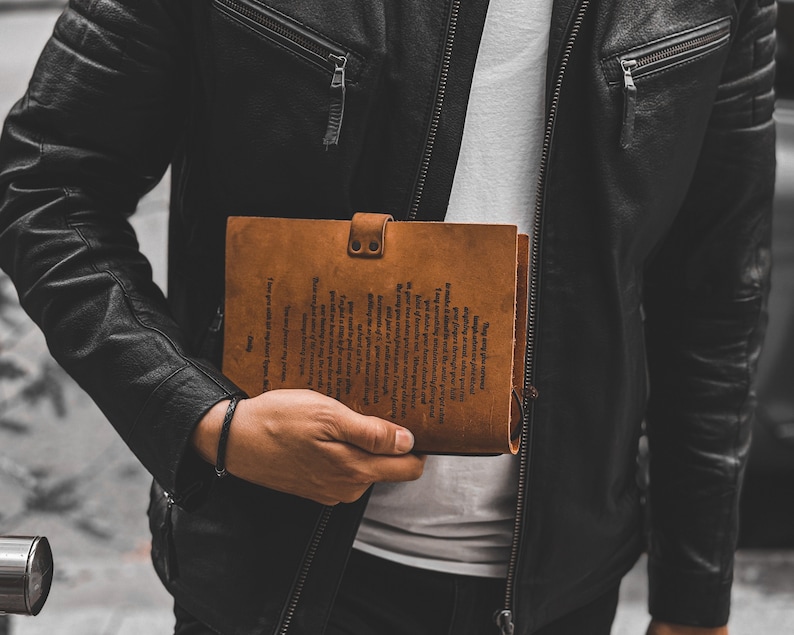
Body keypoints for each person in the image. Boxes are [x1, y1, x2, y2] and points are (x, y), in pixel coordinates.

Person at [0, 0, 777, 633]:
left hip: (563, 592)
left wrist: (693, 603)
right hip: (278, 577)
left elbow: (714, 298)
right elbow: (44, 184)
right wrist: (209, 420)